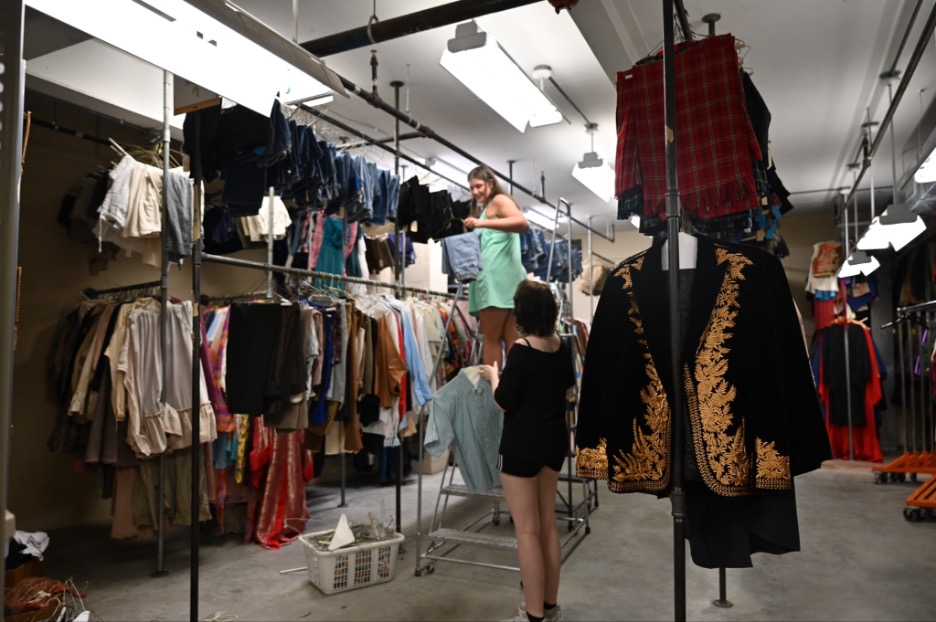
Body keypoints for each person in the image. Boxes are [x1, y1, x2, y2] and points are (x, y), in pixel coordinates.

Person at [479, 280, 575, 622]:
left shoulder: (521, 349)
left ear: (522, 312)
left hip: (522, 446)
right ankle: (550, 607)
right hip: (554, 443)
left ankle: (533, 616)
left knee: (527, 530)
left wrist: (493, 375)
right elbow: (567, 391)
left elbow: (504, 402)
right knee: (547, 524)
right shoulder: (561, 346)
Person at [464, 165, 529, 368]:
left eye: (478, 186)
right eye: (471, 188)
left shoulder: (499, 201)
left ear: (491, 183)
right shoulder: (489, 208)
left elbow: (522, 223)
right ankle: (514, 392)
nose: (475, 192)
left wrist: (481, 224)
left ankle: (494, 394)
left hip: (494, 278)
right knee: (513, 339)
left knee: (491, 339)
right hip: (510, 279)